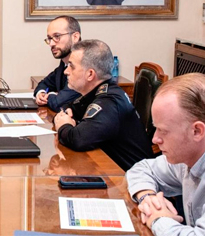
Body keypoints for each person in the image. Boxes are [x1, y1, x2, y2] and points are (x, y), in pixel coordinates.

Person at [54, 39, 153, 171]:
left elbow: (78, 140)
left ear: (90, 74)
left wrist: (63, 125)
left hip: (132, 181)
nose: (66, 71)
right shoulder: (98, 91)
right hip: (112, 171)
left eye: (71, 66)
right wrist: (66, 114)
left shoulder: (108, 102)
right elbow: (68, 106)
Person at [126, 73, 205, 235]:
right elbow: (142, 168)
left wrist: (157, 218)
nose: (155, 139)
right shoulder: (188, 158)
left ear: (197, 131)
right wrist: (147, 197)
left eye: (163, 131)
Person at [34, 15, 82, 112]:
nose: (51, 44)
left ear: (75, 37)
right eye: (49, 38)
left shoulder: (83, 65)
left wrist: (51, 96)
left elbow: (58, 103)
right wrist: (41, 93)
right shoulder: (63, 64)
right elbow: (44, 83)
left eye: (57, 36)